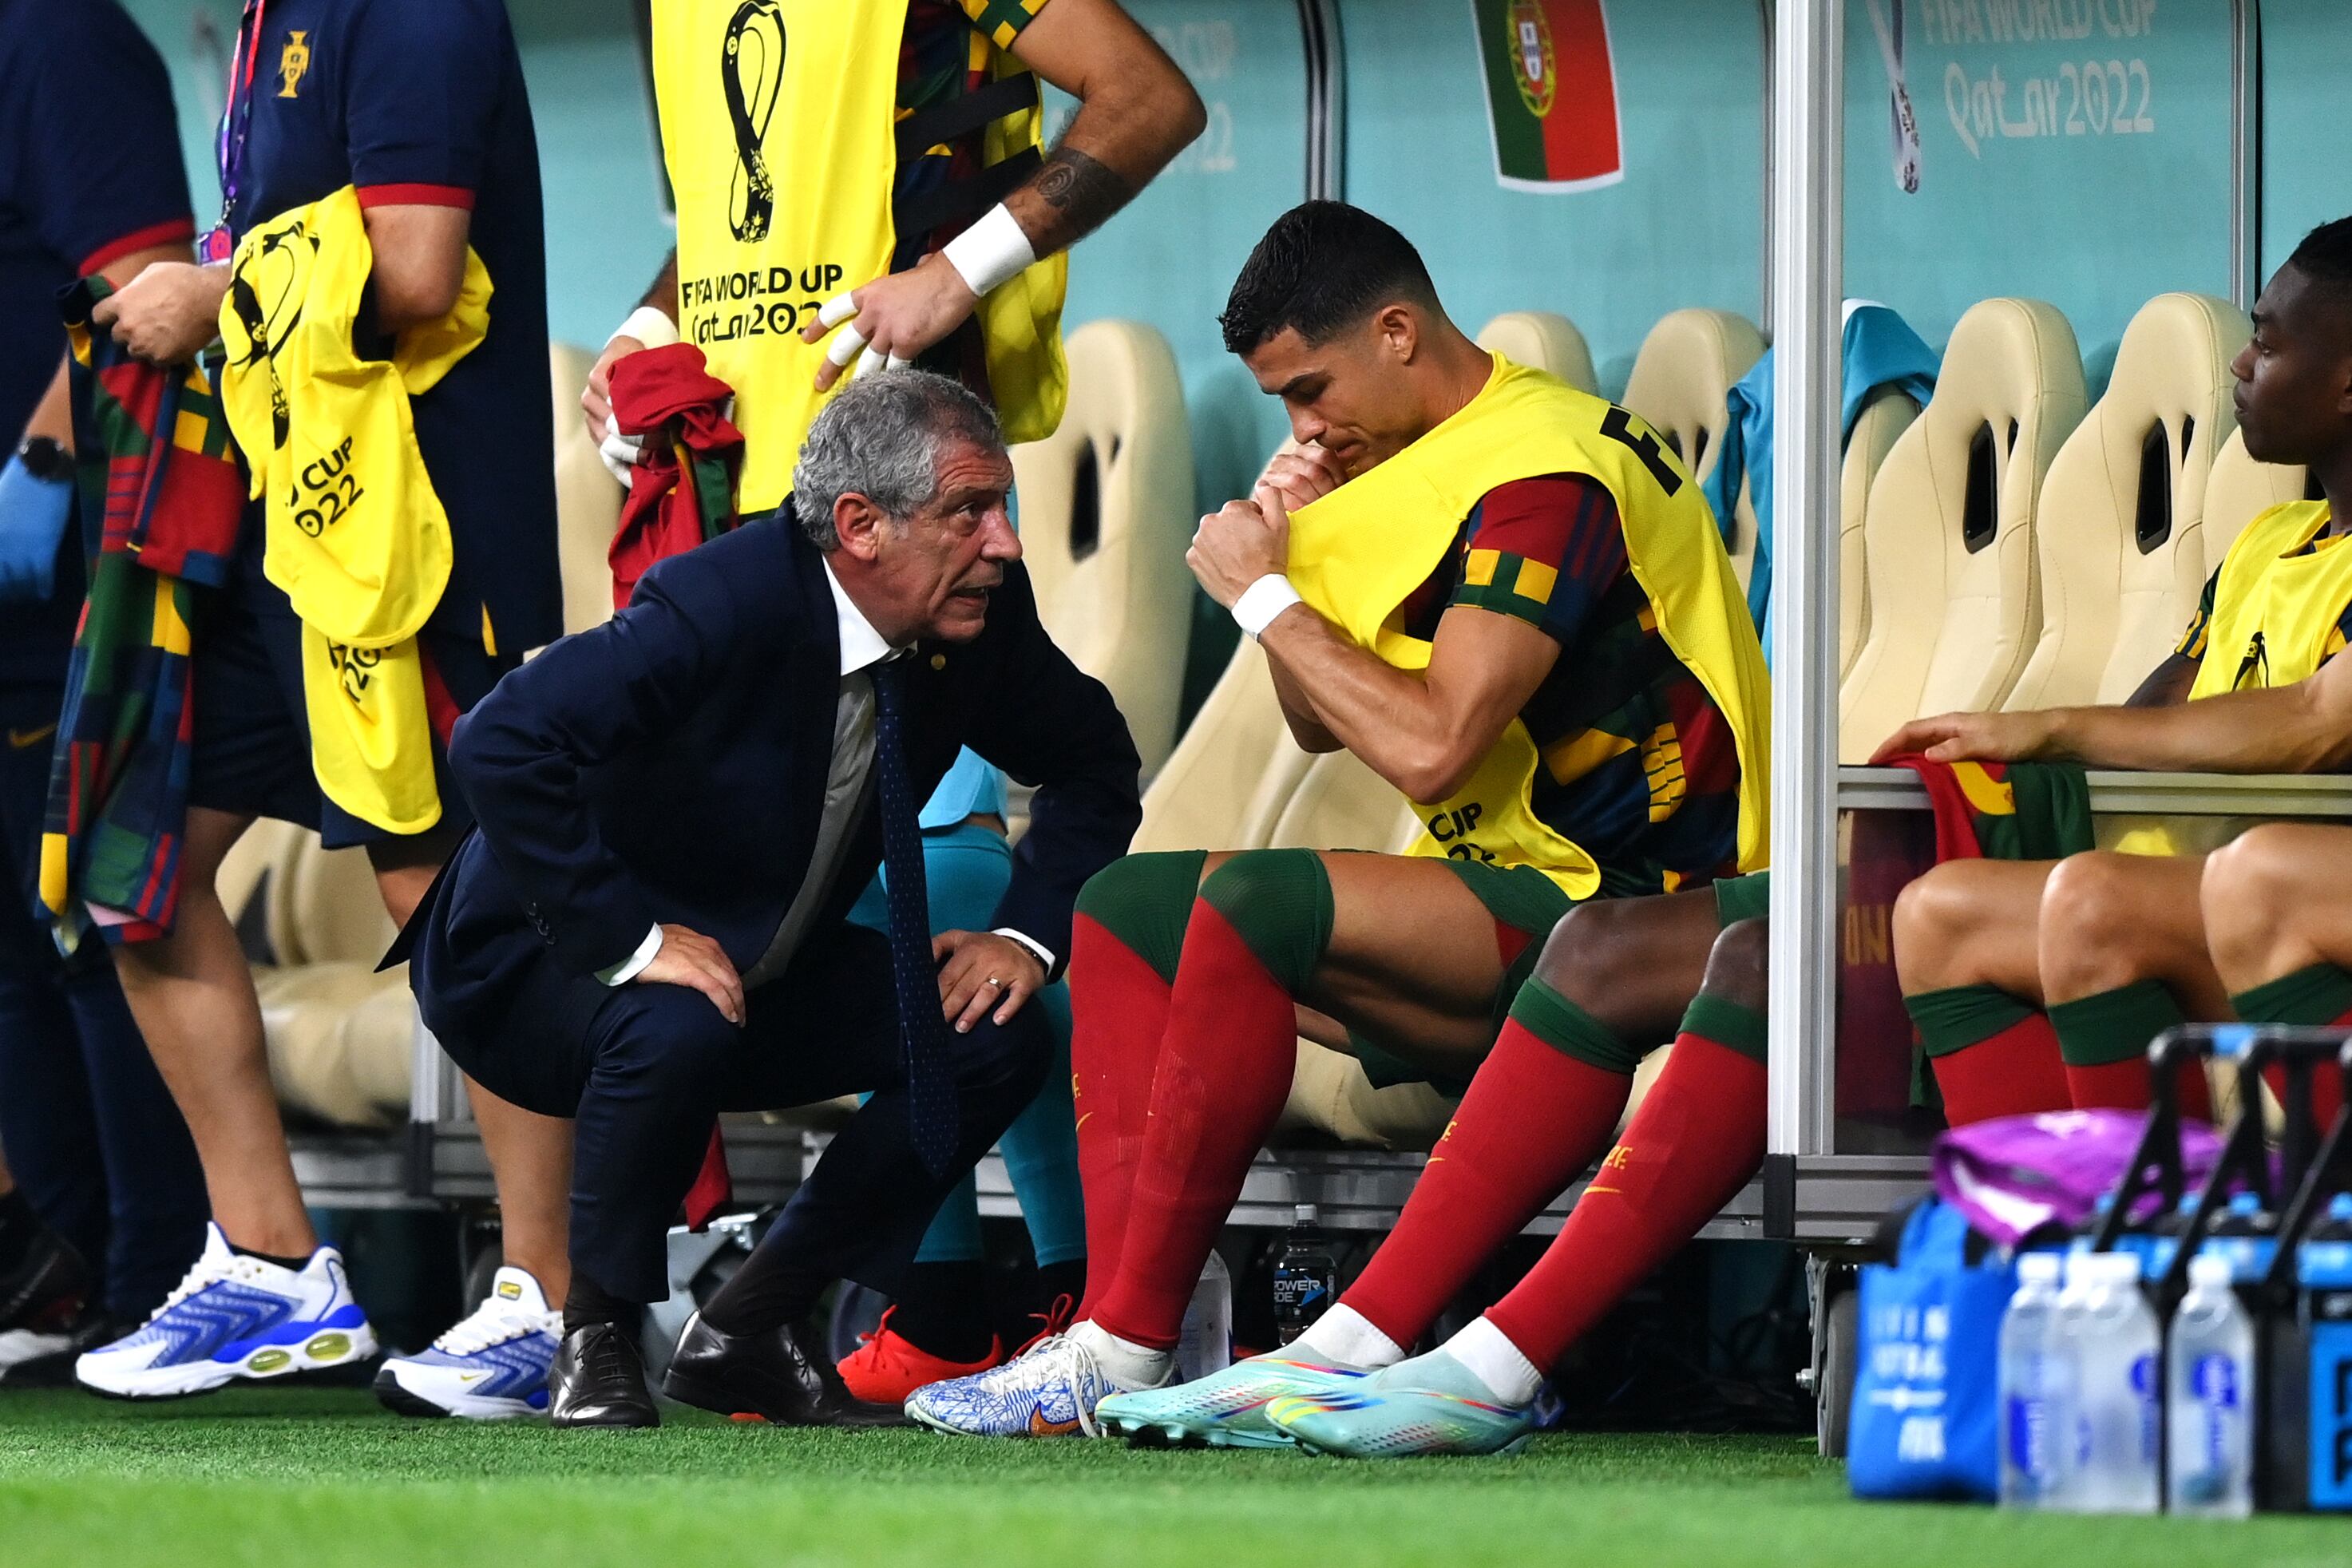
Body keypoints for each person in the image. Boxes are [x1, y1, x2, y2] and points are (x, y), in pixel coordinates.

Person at [907, 200, 1771, 1438]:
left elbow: (1428, 748)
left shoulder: (1541, 473)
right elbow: (1325, 724)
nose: (1307, 428)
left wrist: (1262, 595)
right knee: (1125, 907)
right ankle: (1114, 1327)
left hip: (1637, 909)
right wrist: (1297, 558)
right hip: (1519, 891)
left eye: (1312, 390)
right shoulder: (1423, 462)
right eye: (1282, 407)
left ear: (1399, 332)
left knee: (1252, 903)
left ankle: (1164, 1345)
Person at [556, 0, 1200, 1410]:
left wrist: (957, 272)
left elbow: (1148, 98)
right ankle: (919, 1297)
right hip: (760, 504)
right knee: (783, 925)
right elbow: (754, 225)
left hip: (908, 511)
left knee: (953, 894)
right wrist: (649, 316)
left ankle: (1044, 1299)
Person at [402, 370, 1142, 1429]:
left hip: (743, 961)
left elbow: (1094, 764)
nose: (1004, 543)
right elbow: (502, 739)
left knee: (989, 1036)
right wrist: (627, 940)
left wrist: (1023, 935)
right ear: (860, 527)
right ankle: (595, 1338)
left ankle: (754, 1323)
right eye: (968, 513)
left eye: (1002, 510)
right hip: (530, 962)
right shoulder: (722, 600)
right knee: (675, 1011)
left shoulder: (974, 612)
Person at [71, 0, 570, 1403]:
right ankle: (273, 1265)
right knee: (132, 847)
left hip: (408, 528)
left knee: (444, 887)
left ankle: (553, 1298)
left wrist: (213, 289)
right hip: (279, 521)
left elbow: (412, 271)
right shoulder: (263, 19)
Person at [1882, 216, 2352, 1132]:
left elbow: (2314, 718)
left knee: (2102, 899)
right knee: (1941, 912)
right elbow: (2159, 710)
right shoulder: (2266, 541)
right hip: (2207, 892)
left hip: (2289, 908)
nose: (2241, 366)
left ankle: (2143, 1259)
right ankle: (2042, 1246)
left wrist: (2051, 725)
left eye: (2268, 341)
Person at [0, 0, 208, 1380]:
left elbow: (140, 290)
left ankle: (156, 1269)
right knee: (15, 935)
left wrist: (38, 475)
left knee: (86, 906)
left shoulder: (53, 36)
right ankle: (66, 1264)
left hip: (69, 551)